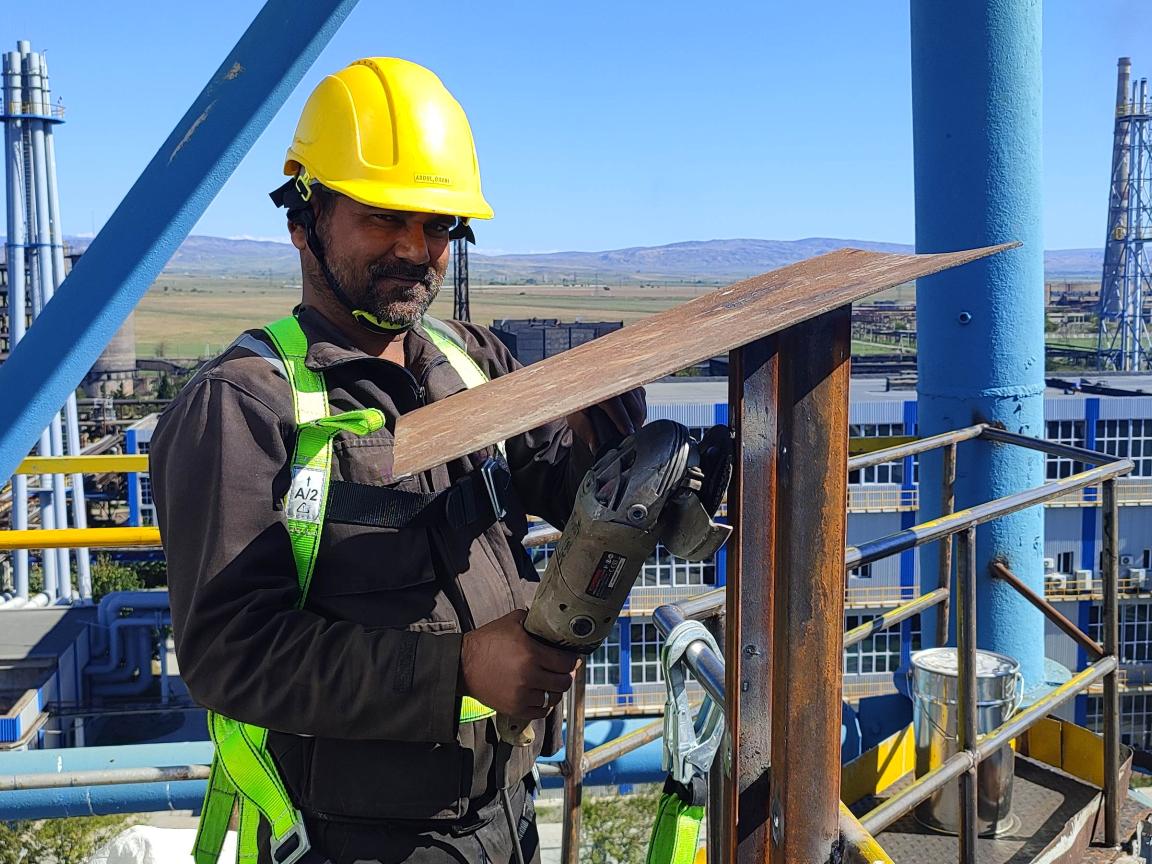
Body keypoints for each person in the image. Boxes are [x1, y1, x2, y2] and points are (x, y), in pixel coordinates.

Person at [151, 57, 645, 864]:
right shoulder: (245, 405)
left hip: (506, 811)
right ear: (304, 220)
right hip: (357, 839)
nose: (417, 249)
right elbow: (231, 654)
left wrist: (638, 454)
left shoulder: (471, 361)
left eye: (438, 225)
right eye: (384, 218)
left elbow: (567, 484)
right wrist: (459, 668)